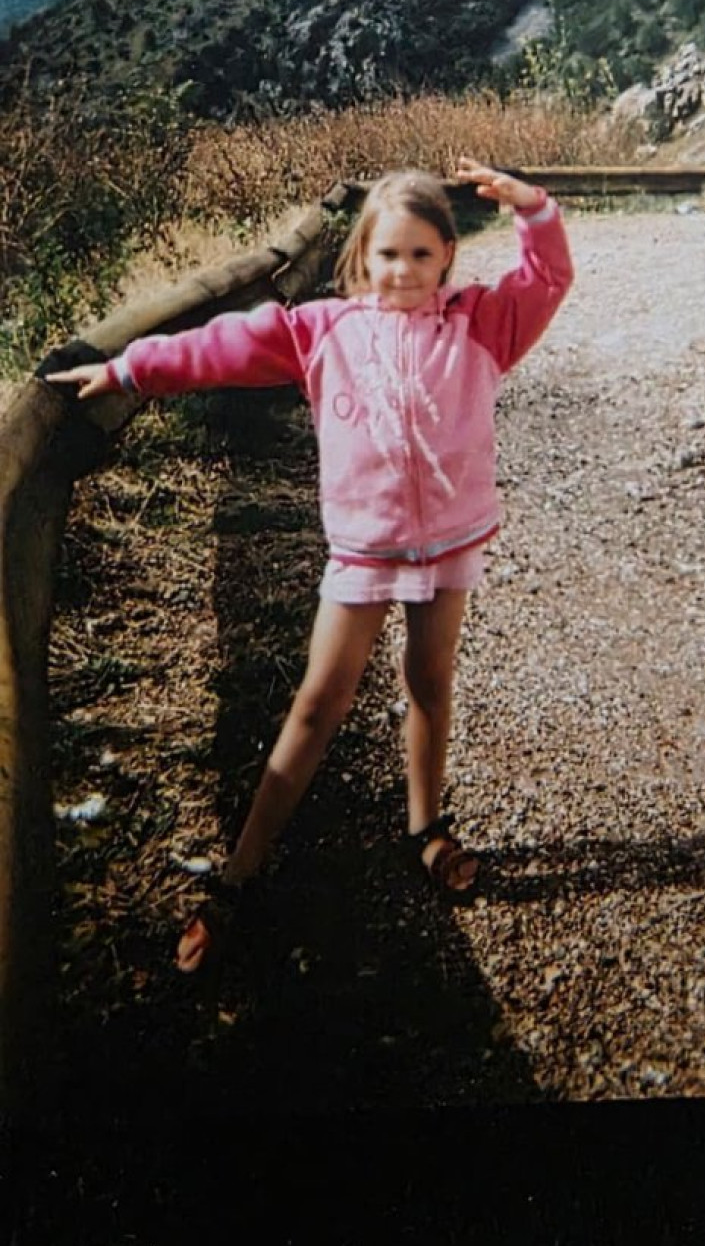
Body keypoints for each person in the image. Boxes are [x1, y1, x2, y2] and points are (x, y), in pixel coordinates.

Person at [47, 155, 573, 972]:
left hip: (449, 544)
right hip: (363, 549)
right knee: (317, 704)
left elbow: (547, 278)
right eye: (388, 253)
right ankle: (239, 874)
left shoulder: (481, 325)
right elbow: (219, 348)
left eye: (422, 254)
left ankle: (427, 828)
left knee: (430, 683)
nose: (404, 271)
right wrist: (126, 368)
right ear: (362, 255)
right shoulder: (322, 330)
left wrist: (533, 208)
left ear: (447, 255)